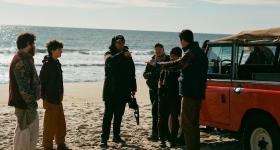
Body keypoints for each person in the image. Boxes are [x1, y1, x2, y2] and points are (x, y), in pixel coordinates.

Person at [147, 29, 208, 150]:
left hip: (190, 93)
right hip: (197, 92)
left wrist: (158, 64)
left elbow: (177, 64)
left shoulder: (192, 52)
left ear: (183, 40)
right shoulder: (200, 52)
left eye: (180, 40)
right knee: (193, 123)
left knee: (187, 124)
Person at [100, 35, 137, 147]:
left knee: (119, 115)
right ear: (114, 43)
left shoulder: (127, 55)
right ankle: (104, 139)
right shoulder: (108, 54)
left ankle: (116, 136)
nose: (120, 44)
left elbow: (132, 72)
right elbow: (110, 62)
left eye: (122, 42)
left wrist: (133, 87)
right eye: (118, 42)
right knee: (108, 115)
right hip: (110, 90)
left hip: (123, 90)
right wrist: (122, 54)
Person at [8, 32, 41, 150]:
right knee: (24, 135)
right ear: (28, 44)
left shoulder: (25, 58)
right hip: (25, 105)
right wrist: (32, 103)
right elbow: (23, 88)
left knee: (28, 135)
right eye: (33, 43)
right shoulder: (21, 60)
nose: (34, 46)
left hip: (26, 105)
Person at [40, 40, 71, 150]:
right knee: (49, 125)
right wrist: (44, 98)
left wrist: (61, 94)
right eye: (59, 50)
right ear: (53, 50)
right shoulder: (47, 64)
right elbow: (41, 82)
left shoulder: (57, 63)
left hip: (58, 98)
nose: (61, 51)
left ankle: (61, 144)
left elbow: (59, 81)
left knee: (61, 123)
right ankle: (47, 146)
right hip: (50, 99)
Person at [143, 43, 170, 141]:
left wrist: (156, 70)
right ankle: (155, 134)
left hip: (164, 90)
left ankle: (163, 134)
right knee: (155, 112)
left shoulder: (168, 59)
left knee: (162, 112)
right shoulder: (152, 60)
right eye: (156, 49)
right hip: (153, 89)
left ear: (163, 50)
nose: (158, 51)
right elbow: (145, 74)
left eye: (160, 49)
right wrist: (152, 73)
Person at [158, 47, 182, 148]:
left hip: (175, 97)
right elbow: (160, 80)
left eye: (174, 55)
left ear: (179, 56)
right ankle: (162, 140)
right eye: (171, 55)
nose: (172, 57)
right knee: (162, 119)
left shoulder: (180, 67)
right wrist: (160, 93)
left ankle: (173, 140)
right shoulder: (166, 66)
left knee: (174, 120)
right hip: (164, 96)